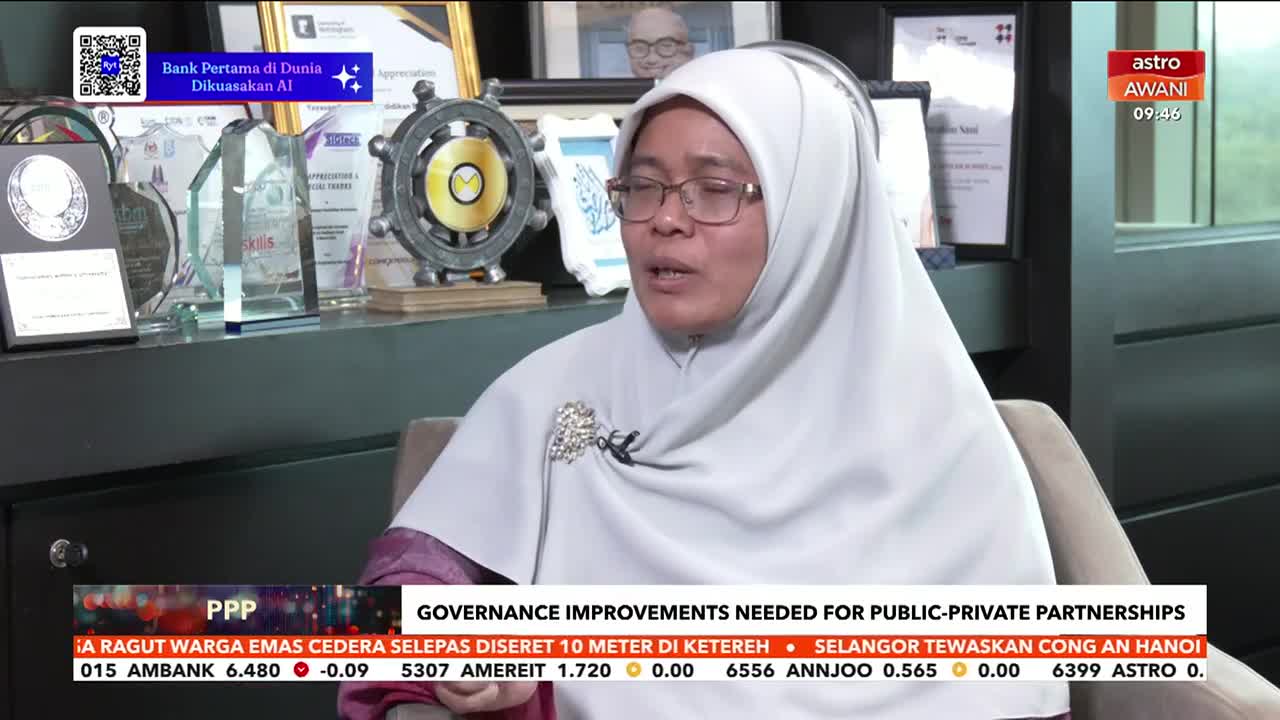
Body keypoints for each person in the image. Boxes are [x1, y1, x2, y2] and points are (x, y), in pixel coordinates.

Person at [338, 47, 1071, 720]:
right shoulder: (555, 393)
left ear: (810, 215)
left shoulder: (943, 439)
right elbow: (410, 588)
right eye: (643, 187)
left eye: (713, 191)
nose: (664, 222)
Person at [624, 6, 694, 79]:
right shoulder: (616, 89)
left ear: (689, 51)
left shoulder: (705, 88)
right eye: (640, 48)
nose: (652, 60)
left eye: (665, 46)